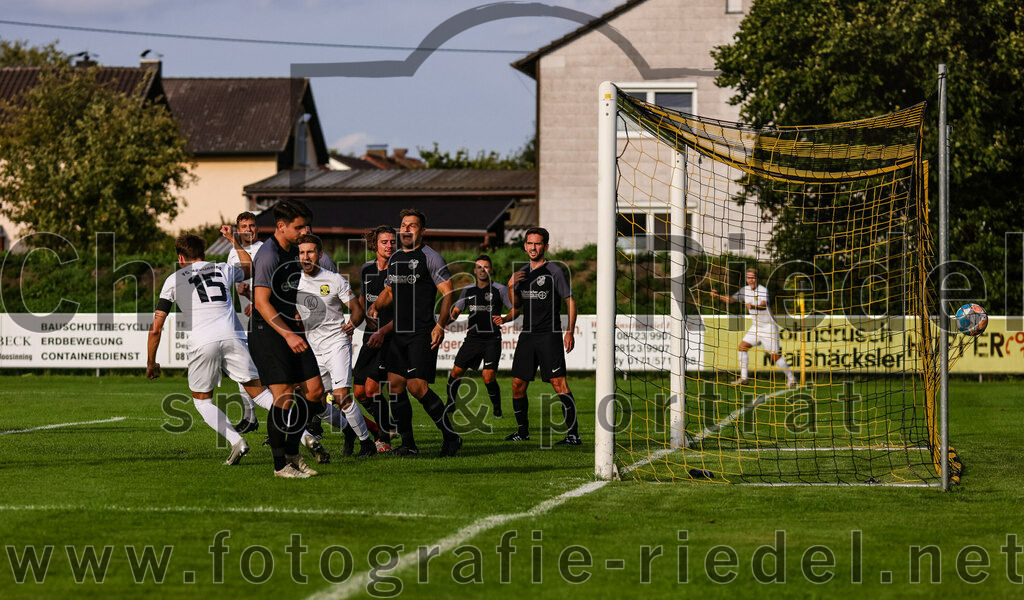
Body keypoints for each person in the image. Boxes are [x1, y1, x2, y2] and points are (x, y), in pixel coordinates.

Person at [146, 228, 275, 466]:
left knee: (202, 401)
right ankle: (304, 435)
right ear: (203, 253)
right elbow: (250, 267)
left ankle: (237, 441)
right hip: (233, 337)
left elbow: (156, 327)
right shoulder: (222, 268)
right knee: (260, 392)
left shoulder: (173, 280)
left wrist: (151, 362)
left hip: (203, 341)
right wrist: (234, 241)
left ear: (181, 258)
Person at [369, 209, 461, 457]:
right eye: (403, 225)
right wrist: (376, 305)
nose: (406, 229)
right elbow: (389, 291)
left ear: (422, 231)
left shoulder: (430, 257)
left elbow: (449, 293)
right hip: (398, 333)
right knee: (395, 386)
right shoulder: (396, 257)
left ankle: (451, 437)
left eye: (412, 225)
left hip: (421, 331)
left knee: (417, 387)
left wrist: (440, 326)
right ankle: (408, 445)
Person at [248, 199, 326, 478]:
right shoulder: (268, 254)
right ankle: (280, 465)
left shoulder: (295, 252)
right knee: (283, 397)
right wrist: (287, 334)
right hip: (268, 333)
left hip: (291, 330)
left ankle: (293, 450)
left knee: (316, 393)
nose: (305, 231)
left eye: (307, 225)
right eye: (299, 226)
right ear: (280, 226)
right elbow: (261, 302)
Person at [295, 234, 376, 458]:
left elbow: (357, 309)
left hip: (336, 342)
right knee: (316, 400)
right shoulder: (294, 282)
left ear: (319, 255)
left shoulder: (334, 279)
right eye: (302, 252)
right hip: (313, 347)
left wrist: (352, 324)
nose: (306, 256)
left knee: (341, 396)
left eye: (310, 252)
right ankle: (348, 430)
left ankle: (367, 443)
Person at [506, 227, 581, 445]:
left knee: (559, 384)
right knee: (517, 384)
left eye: (537, 243)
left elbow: (570, 300)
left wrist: (570, 331)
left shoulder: (554, 271)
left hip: (549, 334)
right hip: (527, 335)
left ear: (545, 246)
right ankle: (522, 432)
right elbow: (517, 304)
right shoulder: (521, 273)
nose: (533, 247)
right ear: (524, 246)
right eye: (529, 243)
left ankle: (573, 435)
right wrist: (511, 286)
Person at [446, 255, 515, 419]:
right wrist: (443, 322)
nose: (483, 270)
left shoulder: (500, 289)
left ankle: (497, 409)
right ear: (475, 270)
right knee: (456, 372)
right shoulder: (467, 290)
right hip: (473, 339)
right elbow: (456, 311)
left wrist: (504, 319)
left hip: (492, 339)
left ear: (491, 269)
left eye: (486, 267)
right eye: (479, 267)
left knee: (488, 376)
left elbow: (514, 310)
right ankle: (450, 404)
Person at [353, 225, 402, 450]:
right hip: (369, 336)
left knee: (373, 390)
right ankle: (389, 425)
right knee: (359, 393)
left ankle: (384, 437)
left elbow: (404, 312)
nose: (390, 245)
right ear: (375, 245)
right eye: (385, 242)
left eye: (393, 242)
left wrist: (384, 330)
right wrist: (355, 320)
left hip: (390, 338)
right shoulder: (366, 269)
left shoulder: (399, 271)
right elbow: (363, 299)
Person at [710, 268, 796, 388]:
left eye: (753, 278)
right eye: (749, 278)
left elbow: (763, 305)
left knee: (775, 357)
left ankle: (792, 379)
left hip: (768, 328)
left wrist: (753, 306)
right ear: (746, 279)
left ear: (757, 279)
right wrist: (717, 295)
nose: (751, 280)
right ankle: (744, 378)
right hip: (756, 327)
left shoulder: (762, 290)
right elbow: (731, 300)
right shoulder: (744, 290)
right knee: (742, 347)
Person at [226, 211, 264, 435]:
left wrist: (257, 302)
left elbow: (270, 281)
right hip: (243, 319)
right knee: (241, 370)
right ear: (238, 229)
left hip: (264, 316)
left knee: (267, 372)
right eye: (244, 226)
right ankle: (250, 418)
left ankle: (290, 421)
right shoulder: (233, 254)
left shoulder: (265, 249)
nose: (248, 229)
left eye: (252, 225)